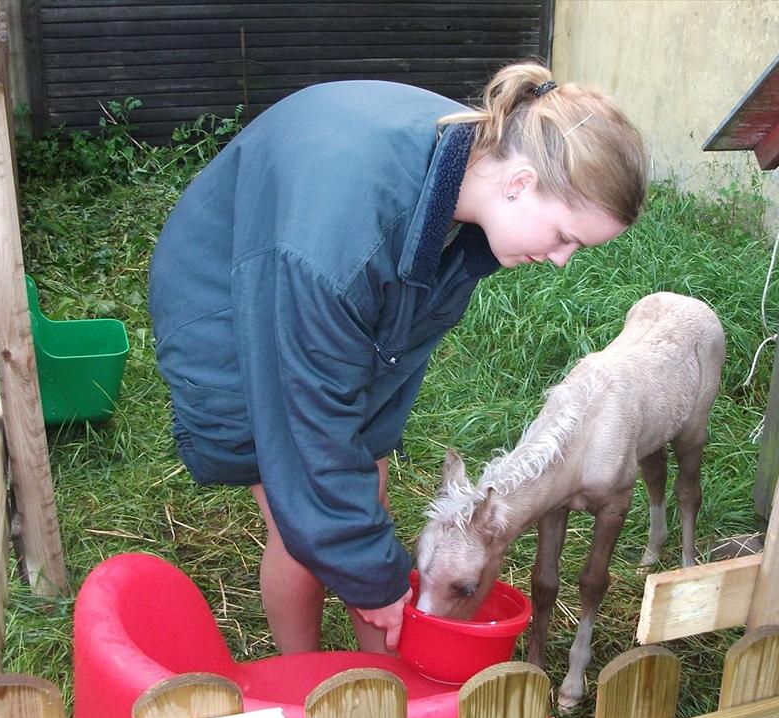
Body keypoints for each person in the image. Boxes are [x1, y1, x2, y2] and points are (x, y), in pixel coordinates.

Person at [147, 61, 648, 656]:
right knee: (299, 521)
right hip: (229, 300)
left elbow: (384, 347)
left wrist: (371, 562)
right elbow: (311, 430)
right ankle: (303, 678)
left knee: (363, 502)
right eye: (566, 236)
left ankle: (383, 676)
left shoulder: (471, 172)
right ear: (520, 182)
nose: (563, 258)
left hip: (312, 280)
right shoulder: (340, 250)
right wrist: (371, 573)